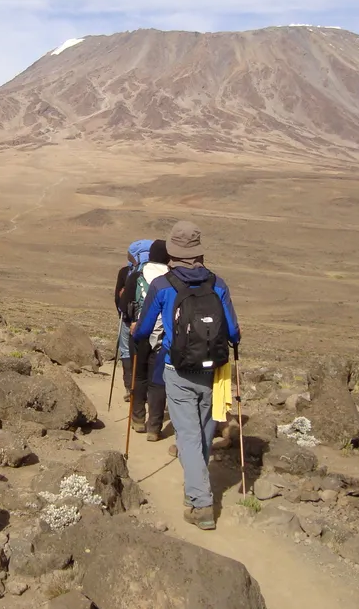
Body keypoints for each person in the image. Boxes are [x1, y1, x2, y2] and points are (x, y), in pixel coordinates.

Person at [132, 221, 240, 531]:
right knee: (204, 430)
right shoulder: (218, 284)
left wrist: (135, 332)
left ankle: (201, 502)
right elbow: (233, 333)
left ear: (172, 252)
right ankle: (196, 489)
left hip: (176, 368)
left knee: (189, 436)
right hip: (212, 370)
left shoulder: (163, 286)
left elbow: (143, 327)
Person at [121, 239, 169, 440]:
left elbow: (124, 306)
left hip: (139, 333)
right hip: (164, 337)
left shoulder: (137, 275)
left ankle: (138, 418)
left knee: (138, 376)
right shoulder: (172, 278)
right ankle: (154, 428)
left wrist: (133, 321)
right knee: (158, 381)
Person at [116, 239, 152, 402]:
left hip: (128, 319)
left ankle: (130, 388)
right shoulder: (160, 273)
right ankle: (145, 391)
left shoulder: (127, 273)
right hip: (151, 323)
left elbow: (119, 299)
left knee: (126, 351)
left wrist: (122, 310)